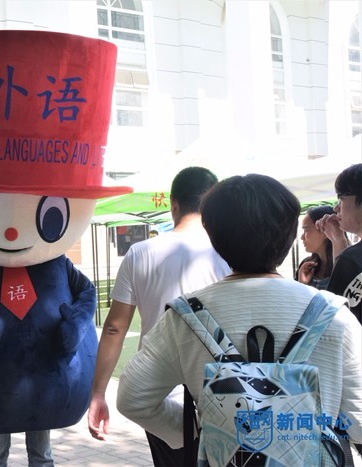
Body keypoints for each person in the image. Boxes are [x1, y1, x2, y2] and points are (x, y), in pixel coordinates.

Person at [116, 174, 362, 462]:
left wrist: (202, 431)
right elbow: (359, 420)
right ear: (288, 234)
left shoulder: (183, 319)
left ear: (212, 233)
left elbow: (133, 399)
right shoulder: (333, 315)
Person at [87, 166, 230, 466]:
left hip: (157, 395)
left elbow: (114, 328)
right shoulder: (229, 251)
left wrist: (98, 393)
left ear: (173, 204)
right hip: (221, 392)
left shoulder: (140, 253)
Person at [318, 163, 362, 324]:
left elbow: (333, 321)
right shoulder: (351, 258)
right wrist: (338, 240)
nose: (336, 207)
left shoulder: (351, 259)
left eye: (341, 198)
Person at [295, 205, 344, 289]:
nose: (302, 237)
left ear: (325, 229)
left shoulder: (348, 263)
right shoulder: (306, 266)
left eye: (306, 230)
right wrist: (302, 285)